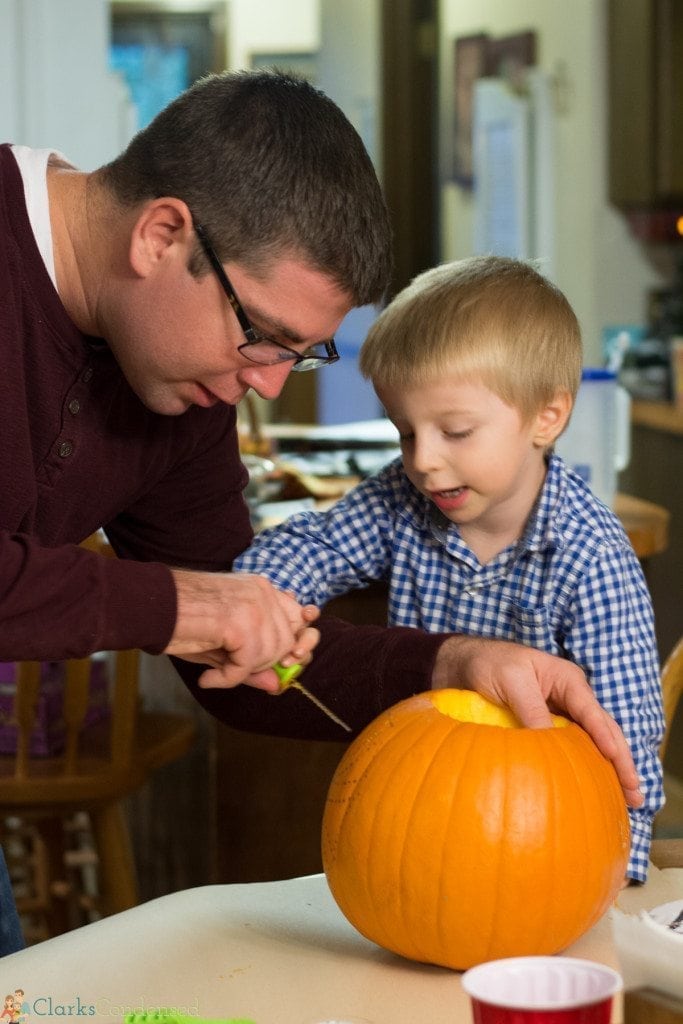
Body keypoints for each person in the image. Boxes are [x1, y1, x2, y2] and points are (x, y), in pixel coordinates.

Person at [0, 70, 639, 953]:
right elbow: (191, 606)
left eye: (296, 356)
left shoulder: (185, 397)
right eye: (260, 335)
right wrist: (176, 604)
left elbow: (245, 655)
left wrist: (449, 665)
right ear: (161, 234)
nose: (264, 383)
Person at [234, 256, 665, 883]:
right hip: (419, 812)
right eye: (405, 432)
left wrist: (614, 873)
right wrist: (255, 599)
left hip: (543, 838)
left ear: (547, 417)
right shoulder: (404, 500)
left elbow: (626, 738)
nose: (424, 462)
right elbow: (316, 547)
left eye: (455, 431)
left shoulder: (589, 555)